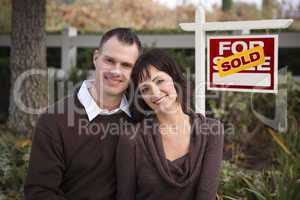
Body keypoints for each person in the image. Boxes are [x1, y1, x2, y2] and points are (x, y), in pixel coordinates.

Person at [24, 28, 142, 200]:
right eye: (109, 61)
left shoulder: (140, 117)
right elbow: (39, 192)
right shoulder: (53, 121)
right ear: (96, 58)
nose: (116, 71)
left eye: (126, 65)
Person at [117, 49, 224, 200]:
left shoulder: (212, 131)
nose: (154, 93)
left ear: (175, 79)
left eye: (159, 81)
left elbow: (206, 194)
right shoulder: (131, 138)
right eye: (145, 89)